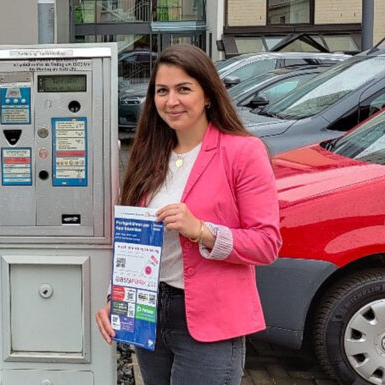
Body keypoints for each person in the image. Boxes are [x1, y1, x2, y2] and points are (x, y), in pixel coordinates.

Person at [95, 44, 282, 385]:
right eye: (162, 91)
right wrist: (116, 297)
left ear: (208, 95)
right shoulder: (148, 154)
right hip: (149, 311)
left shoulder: (242, 152)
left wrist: (202, 231)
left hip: (209, 321)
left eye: (184, 89)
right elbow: (132, 239)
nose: (171, 101)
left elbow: (267, 244)